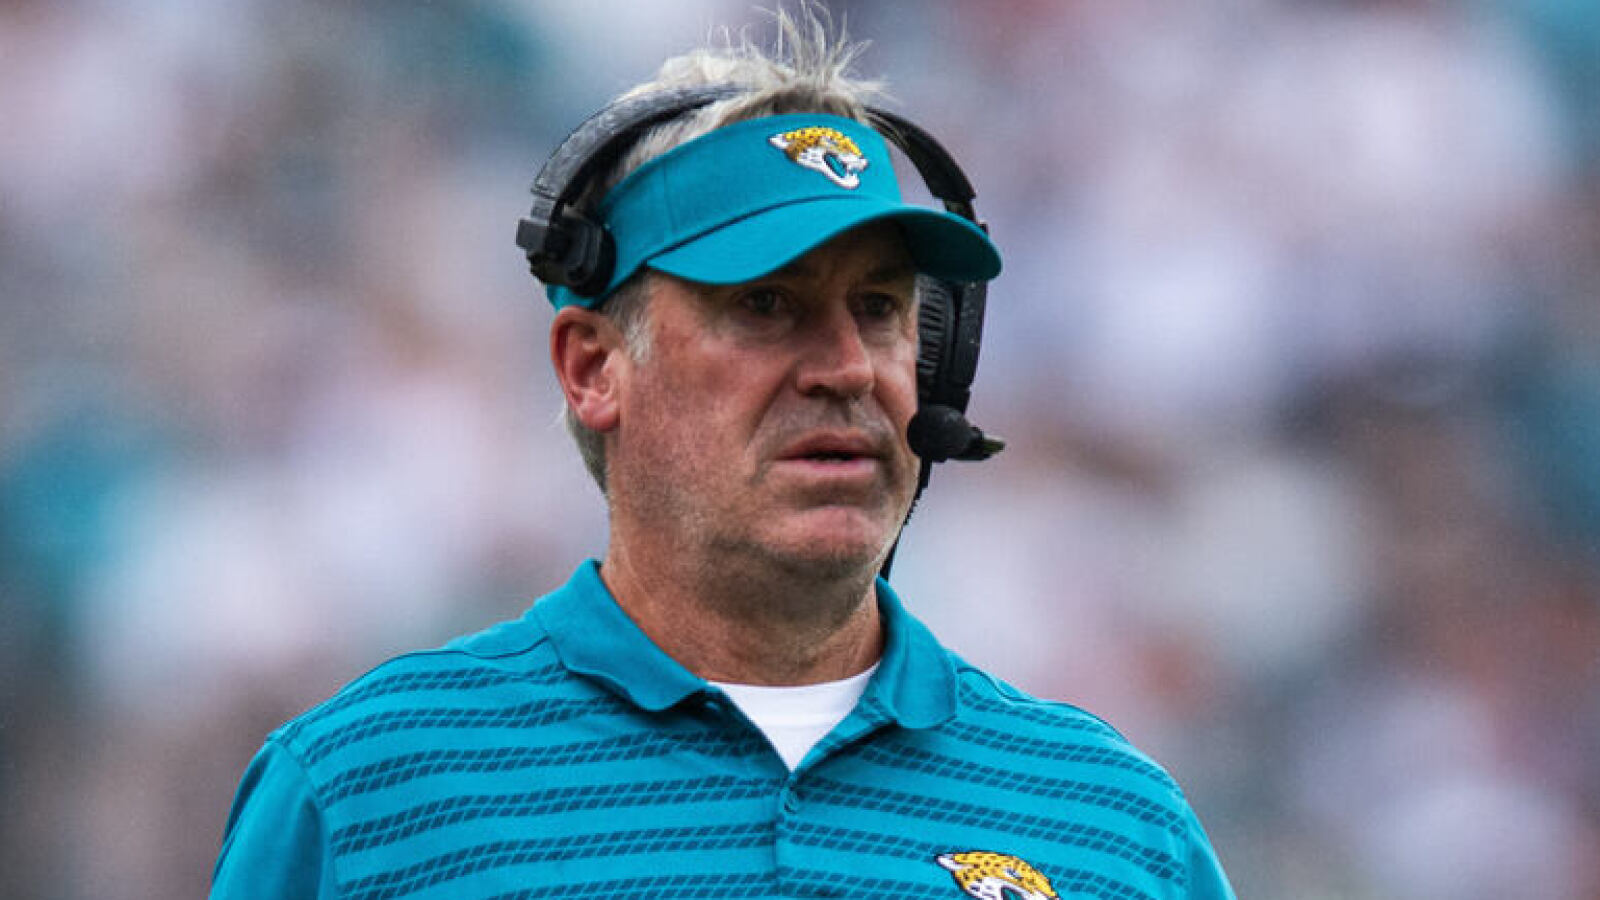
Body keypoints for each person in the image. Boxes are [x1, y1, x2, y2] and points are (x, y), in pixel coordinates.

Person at [210, 8, 1235, 899]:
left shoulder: (1115, 828)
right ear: (593, 368)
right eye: (766, 304)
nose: (848, 367)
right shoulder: (363, 793)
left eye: (879, 308)